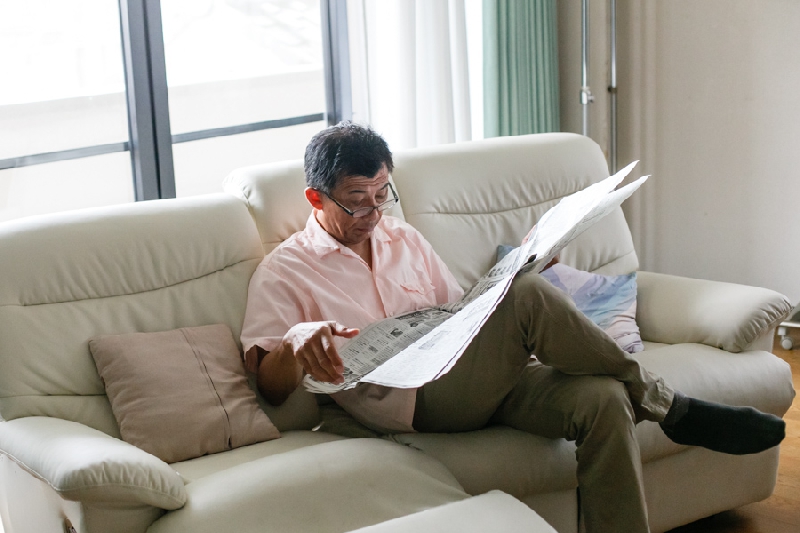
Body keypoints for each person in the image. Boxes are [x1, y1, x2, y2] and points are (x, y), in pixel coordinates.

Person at [240, 121, 785, 533]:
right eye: (356, 202)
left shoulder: (403, 239)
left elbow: (456, 314)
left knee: (601, 400)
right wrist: (293, 344)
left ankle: (645, 413)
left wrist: (513, 279)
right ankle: (669, 405)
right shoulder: (286, 271)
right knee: (525, 297)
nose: (373, 214)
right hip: (414, 402)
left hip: (474, 374)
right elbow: (269, 386)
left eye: (382, 195)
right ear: (316, 197)